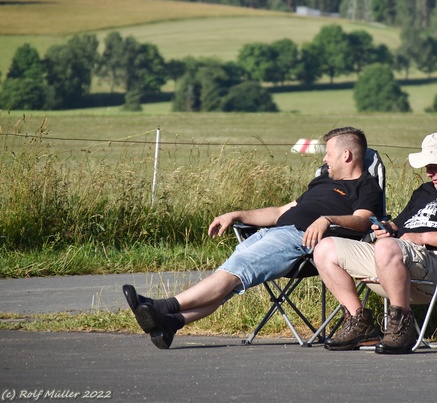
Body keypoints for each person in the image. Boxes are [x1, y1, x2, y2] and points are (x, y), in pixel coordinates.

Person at [122, 127, 383, 349]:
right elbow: (280, 211)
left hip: (301, 242)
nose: (325, 159)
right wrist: (236, 214)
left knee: (235, 272)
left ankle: (161, 306)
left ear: (346, 155)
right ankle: (171, 324)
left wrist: (328, 219)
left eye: (328, 153)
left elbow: (363, 221)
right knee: (230, 279)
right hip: (273, 233)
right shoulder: (321, 183)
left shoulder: (365, 186)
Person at [314, 131, 437, 354]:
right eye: (427, 166)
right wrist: (385, 228)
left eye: (434, 165)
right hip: (395, 257)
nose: (429, 172)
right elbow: (399, 226)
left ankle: (401, 325)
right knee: (325, 248)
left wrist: (421, 238)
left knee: (387, 247)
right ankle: (359, 323)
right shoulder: (424, 191)